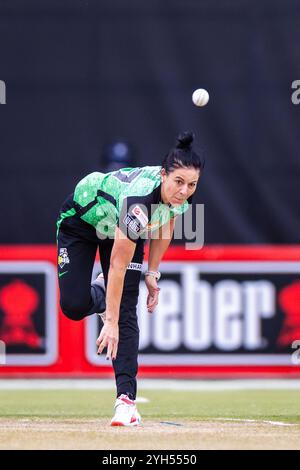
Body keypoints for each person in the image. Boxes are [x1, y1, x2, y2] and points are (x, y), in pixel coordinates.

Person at [56, 131, 205, 426]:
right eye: (178, 182)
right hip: (80, 223)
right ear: (163, 175)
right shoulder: (138, 203)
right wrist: (107, 321)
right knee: (73, 307)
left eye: (192, 185)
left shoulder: (182, 195)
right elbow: (117, 266)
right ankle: (101, 296)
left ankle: (126, 401)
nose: (185, 191)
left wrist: (152, 272)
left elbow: (168, 220)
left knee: (126, 309)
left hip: (118, 227)